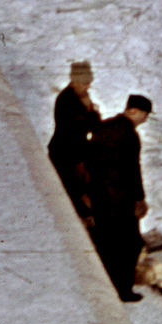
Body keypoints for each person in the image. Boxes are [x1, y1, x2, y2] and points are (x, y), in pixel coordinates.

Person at [87, 94, 152, 302]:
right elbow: (132, 169)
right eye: (145, 115)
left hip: (99, 197)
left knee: (106, 244)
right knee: (131, 244)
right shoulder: (129, 135)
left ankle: (104, 288)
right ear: (137, 112)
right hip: (120, 200)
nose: (145, 120)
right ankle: (123, 289)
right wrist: (139, 199)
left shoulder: (103, 127)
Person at [47, 60, 102, 224]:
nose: (88, 87)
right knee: (76, 196)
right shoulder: (66, 100)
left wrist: (91, 111)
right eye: (85, 83)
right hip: (66, 155)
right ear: (75, 80)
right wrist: (88, 110)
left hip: (78, 154)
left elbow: (95, 127)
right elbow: (73, 131)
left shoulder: (81, 98)